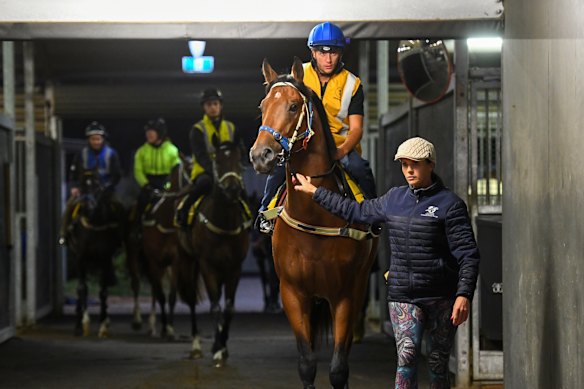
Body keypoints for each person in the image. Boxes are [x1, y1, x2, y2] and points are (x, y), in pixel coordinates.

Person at [293, 137, 480, 389]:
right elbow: (354, 211)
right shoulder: (394, 199)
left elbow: (468, 254)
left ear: (430, 164)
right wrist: (316, 193)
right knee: (406, 358)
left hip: (441, 297)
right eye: (404, 165)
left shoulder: (450, 205)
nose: (409, 170)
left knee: (437, 363)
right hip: (403, 295)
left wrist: (464, 295)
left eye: (414, 164)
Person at [257, 21, 377, 233]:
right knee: (278, 170)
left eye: (333, 53)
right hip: (302, 143)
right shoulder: (298, 75)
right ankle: (266, 212)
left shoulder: (352, 83)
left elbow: (357, 128)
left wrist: (341, 151)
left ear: (340, 53)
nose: (328, 59)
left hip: (340, 146)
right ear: (312, 52)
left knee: (361, 169)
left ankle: (373, 217)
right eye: (322, 53)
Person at [175, 87, 240, 230]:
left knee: (239, 189)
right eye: (209, 105)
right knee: (204, 184)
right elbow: (200, 155)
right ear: (204, 107)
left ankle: (250, 221)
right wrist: (213, 171)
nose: (213, 107)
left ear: (220, 106)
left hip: (227, 171)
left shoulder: (231, 127)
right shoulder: (197, 129)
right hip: (204, 171)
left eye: (215, 104)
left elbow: (238, 151)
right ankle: (184, 211)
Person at [59, 121, 122, 245]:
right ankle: (64, 234)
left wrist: (108, 187)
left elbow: (117, 175)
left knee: (119, 207)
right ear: (89, 140)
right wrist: (75, 187)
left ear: (103, 139)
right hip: (86, 191)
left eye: (98, 139)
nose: (96, 142)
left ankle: (121, 238)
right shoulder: (82, 154)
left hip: (105, 192)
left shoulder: (111, 154)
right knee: (69, 206)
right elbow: (74, 173)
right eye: (93, 139)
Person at [133, 117, 181, 226]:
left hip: (166, 184)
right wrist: (146, 186)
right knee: (140, 204)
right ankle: (137, 231)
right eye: (147, 132)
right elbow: (138, 171)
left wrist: (168, 185)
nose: (148, 135)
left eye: (151, 132)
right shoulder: (141, 151)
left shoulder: (172, 150)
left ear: (160, 133)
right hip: (149, 184)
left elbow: (176, 170)